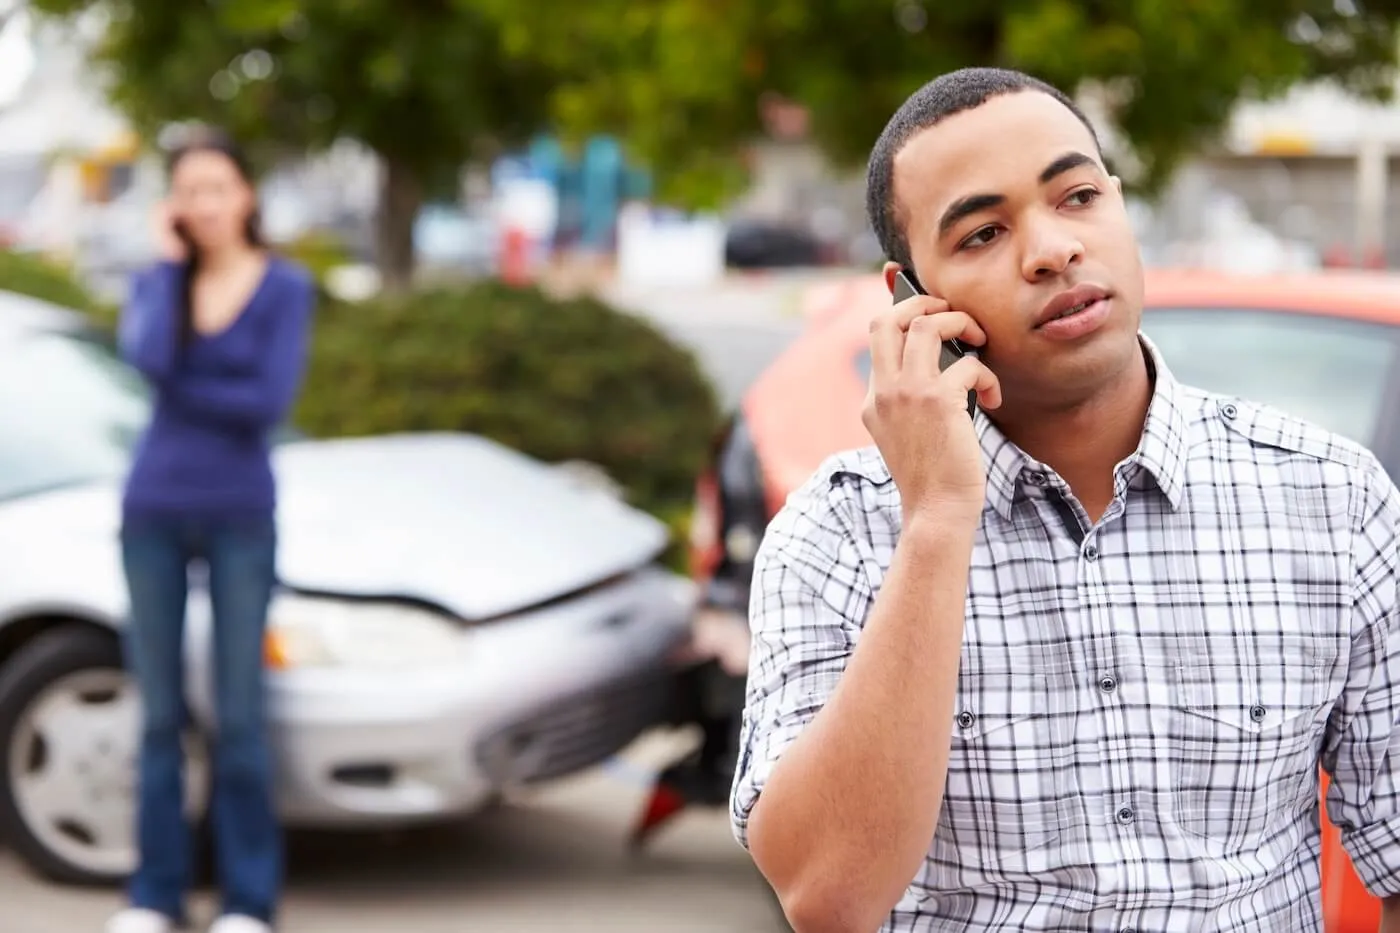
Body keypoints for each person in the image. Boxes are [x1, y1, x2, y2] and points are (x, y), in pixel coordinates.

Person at [731, 67, 1400, 932]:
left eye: (1077, 195)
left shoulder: (1332, 499)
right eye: (982, 233)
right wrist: (935, 519)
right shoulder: (838, 534)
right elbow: (828, 894)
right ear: (910, 296)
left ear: (1119, 206)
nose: (1051, 248)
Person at [106, 128, 315, 933]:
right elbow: (146, 358)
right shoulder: (160, 283)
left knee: (239, 715)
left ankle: (246, 900)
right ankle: (154, 892)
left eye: (216, 188)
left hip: (240, 513)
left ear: (246, 195)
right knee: (158, 714)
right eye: (187, 191)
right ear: (173, 204)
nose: (203, 205)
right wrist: (165, 266)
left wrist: (185, 380)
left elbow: (267, 403)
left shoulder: (285, 286)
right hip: (152, 507)